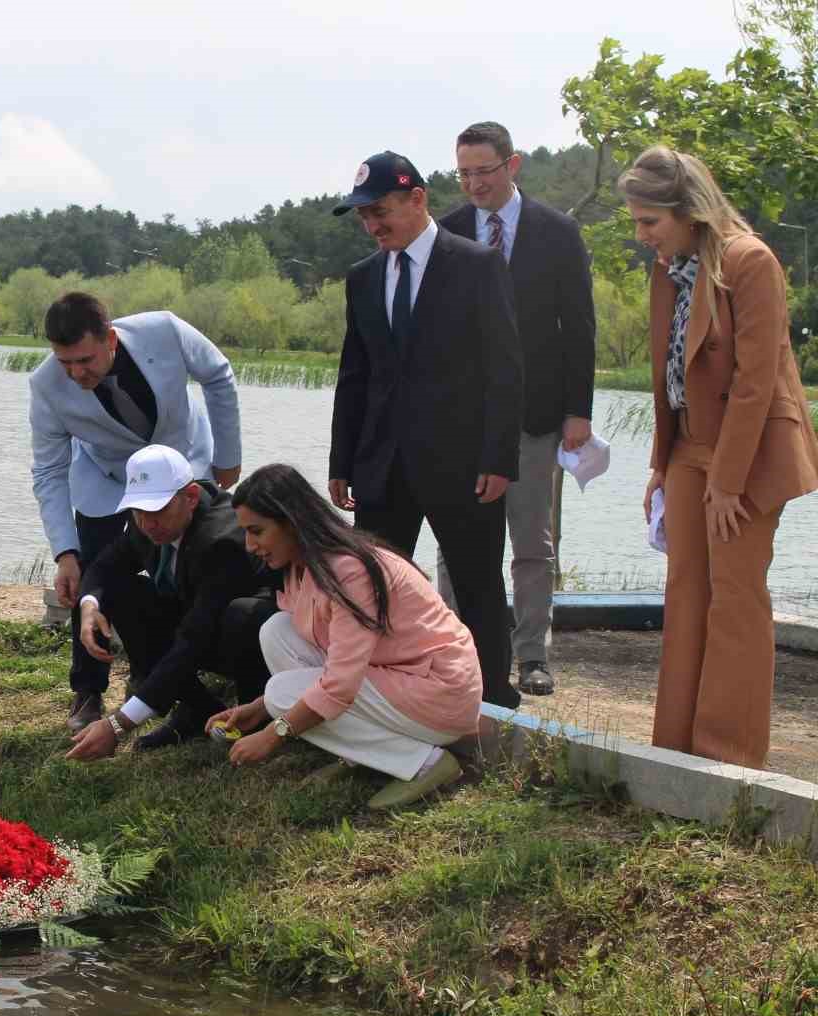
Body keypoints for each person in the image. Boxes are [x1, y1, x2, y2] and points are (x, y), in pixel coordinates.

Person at [621, 146, 818, 767]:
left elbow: (757, 383)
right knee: (685, 592)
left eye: (650, 221)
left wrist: (728, 483)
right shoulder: (666, 269)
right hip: (688, 447)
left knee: (734, 598)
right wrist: (661, 462)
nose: (641, 234)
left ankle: (727, 762)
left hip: (751, 453)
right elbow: (668, 377)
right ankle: (674, 753)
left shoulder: (750, 261)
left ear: (691, 212)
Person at [327, 150, 525, 710]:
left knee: (478, 584)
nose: (372, 225)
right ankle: (388, 694)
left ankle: (493, 702)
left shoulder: (477, 265)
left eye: (380, 211)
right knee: (374, 585)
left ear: (418, 199)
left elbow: (505, 371)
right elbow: (355, 375)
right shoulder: (364, 278)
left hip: (463, 464)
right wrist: (342, 462)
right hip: (382, 465)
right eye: (364, 217)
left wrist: (498, 457)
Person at [205, 464, 482, 809]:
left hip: (439, 692)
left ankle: (423, 762)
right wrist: (257, 710)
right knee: (277, 633)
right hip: (397, 677)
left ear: (291, 522)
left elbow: (339, 684)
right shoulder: (303, 566)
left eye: (256, 531)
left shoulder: (349, 570)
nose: (249, 545)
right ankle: (366, 756)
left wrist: (272, 733)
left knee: (283, 694)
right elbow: (334, 660)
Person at [30, 291, 243, 733]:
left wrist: (228, 457)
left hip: (184, 462)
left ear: (110, 338)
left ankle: (168, 678)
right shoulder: (45, 386)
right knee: (94, 571)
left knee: (202, 567)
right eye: (65, 362)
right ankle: (87, 689)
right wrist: (64, 552)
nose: (75, 373)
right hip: (106, 480)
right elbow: (50, 470)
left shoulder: (163, 330)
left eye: (85, 360)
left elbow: (218, 375)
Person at [436, 121, 597, 697]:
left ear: (514, 165)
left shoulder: (557, 232)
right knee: (458, 544)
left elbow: (578, 327)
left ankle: (532, 655)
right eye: (464, 174)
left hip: (535, 417)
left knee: (532, 543)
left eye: (485, 171)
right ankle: (451, 649)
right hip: (464, 422)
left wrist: (578, 410)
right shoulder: (446, 232)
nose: (475, 184)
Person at [63, 444, 273, 761]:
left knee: (239, 616)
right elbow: (105, 566)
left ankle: (256, 713)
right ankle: (198, 709)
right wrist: (89, 606)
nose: (147, 523)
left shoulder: (222, 541)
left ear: (189, 497)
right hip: (200, 622)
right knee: (121, 590)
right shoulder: (148, 522)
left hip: (250, 640)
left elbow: (193, 640)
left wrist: (118, 725)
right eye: (137, 511)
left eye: (156, 509)